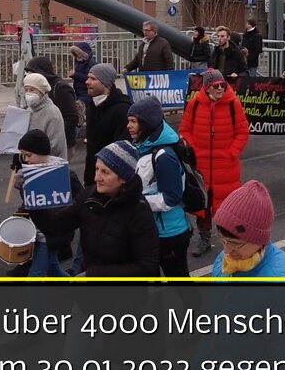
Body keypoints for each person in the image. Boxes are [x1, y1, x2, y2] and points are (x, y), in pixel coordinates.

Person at [209, 180, 285, 370]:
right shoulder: (224, 263)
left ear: (259, 240)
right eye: (223, 240)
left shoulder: (279, 286)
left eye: (235, 244)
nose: (227, 250)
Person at [55, 139, 158, 278]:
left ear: (123, 178)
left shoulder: (139, 212)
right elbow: (55, 225)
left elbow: (147, 269)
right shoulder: (89, 197)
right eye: (97, 169)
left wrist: (93, 275)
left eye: (105, 172)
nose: (97, 177)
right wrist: (32, 193)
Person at [180, 70, 250, 257]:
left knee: (227, 209)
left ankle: (232, 243)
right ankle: (204, 239)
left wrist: (231, 153)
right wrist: (194, 151)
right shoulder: (195, 104)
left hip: (226, 167)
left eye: (222, 85)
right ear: (206, 87)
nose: (220, 88)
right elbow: (185, 130)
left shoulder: (233, 104)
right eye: (215, 85)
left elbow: (243, 132)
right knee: (203, 207)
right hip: (201, 167)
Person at [127, 97, 192, 277]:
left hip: (169, 233)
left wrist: (134, 200)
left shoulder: (164, 156)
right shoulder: (144, 147)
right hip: (151, 229)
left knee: (179, 282)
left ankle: (192, 307)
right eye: (128, 121)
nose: (128, 126)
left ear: (146, 123)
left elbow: (171, 198)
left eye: (133, 121)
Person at [10, 130, 88, 277]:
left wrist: (65, 214)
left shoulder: (65, 174)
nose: (25, 160)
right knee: (53, 269)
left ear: (41, 152)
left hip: (54, 236)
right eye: (23, 156)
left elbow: (81, 200)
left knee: (35, 277)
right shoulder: (30, 173)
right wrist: (23, 189)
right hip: (38, 233)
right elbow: (31, 203)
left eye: (28, 155)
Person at [83, 64, 131, 188]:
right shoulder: (92, 105)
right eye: (88, 78)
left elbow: (122, 146)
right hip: (92, 175)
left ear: (105, 83)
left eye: (93, 79)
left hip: (111, 179)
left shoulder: (122, 109)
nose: (87, 82)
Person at [25, 55, 79, 157]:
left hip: (61, 144)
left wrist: (56, 132)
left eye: (32, 72)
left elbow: (72, 117)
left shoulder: (60, 88)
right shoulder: (35, 88)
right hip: (41, 145)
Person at [23, 73, 67, 159]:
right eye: (26, 90)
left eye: (32, 90)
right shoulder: (29, 110)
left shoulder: (53, 113)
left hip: (49, 165)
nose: (28, 93)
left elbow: (55, 146)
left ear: (42, 92)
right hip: (30, 162)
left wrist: (32, 156)